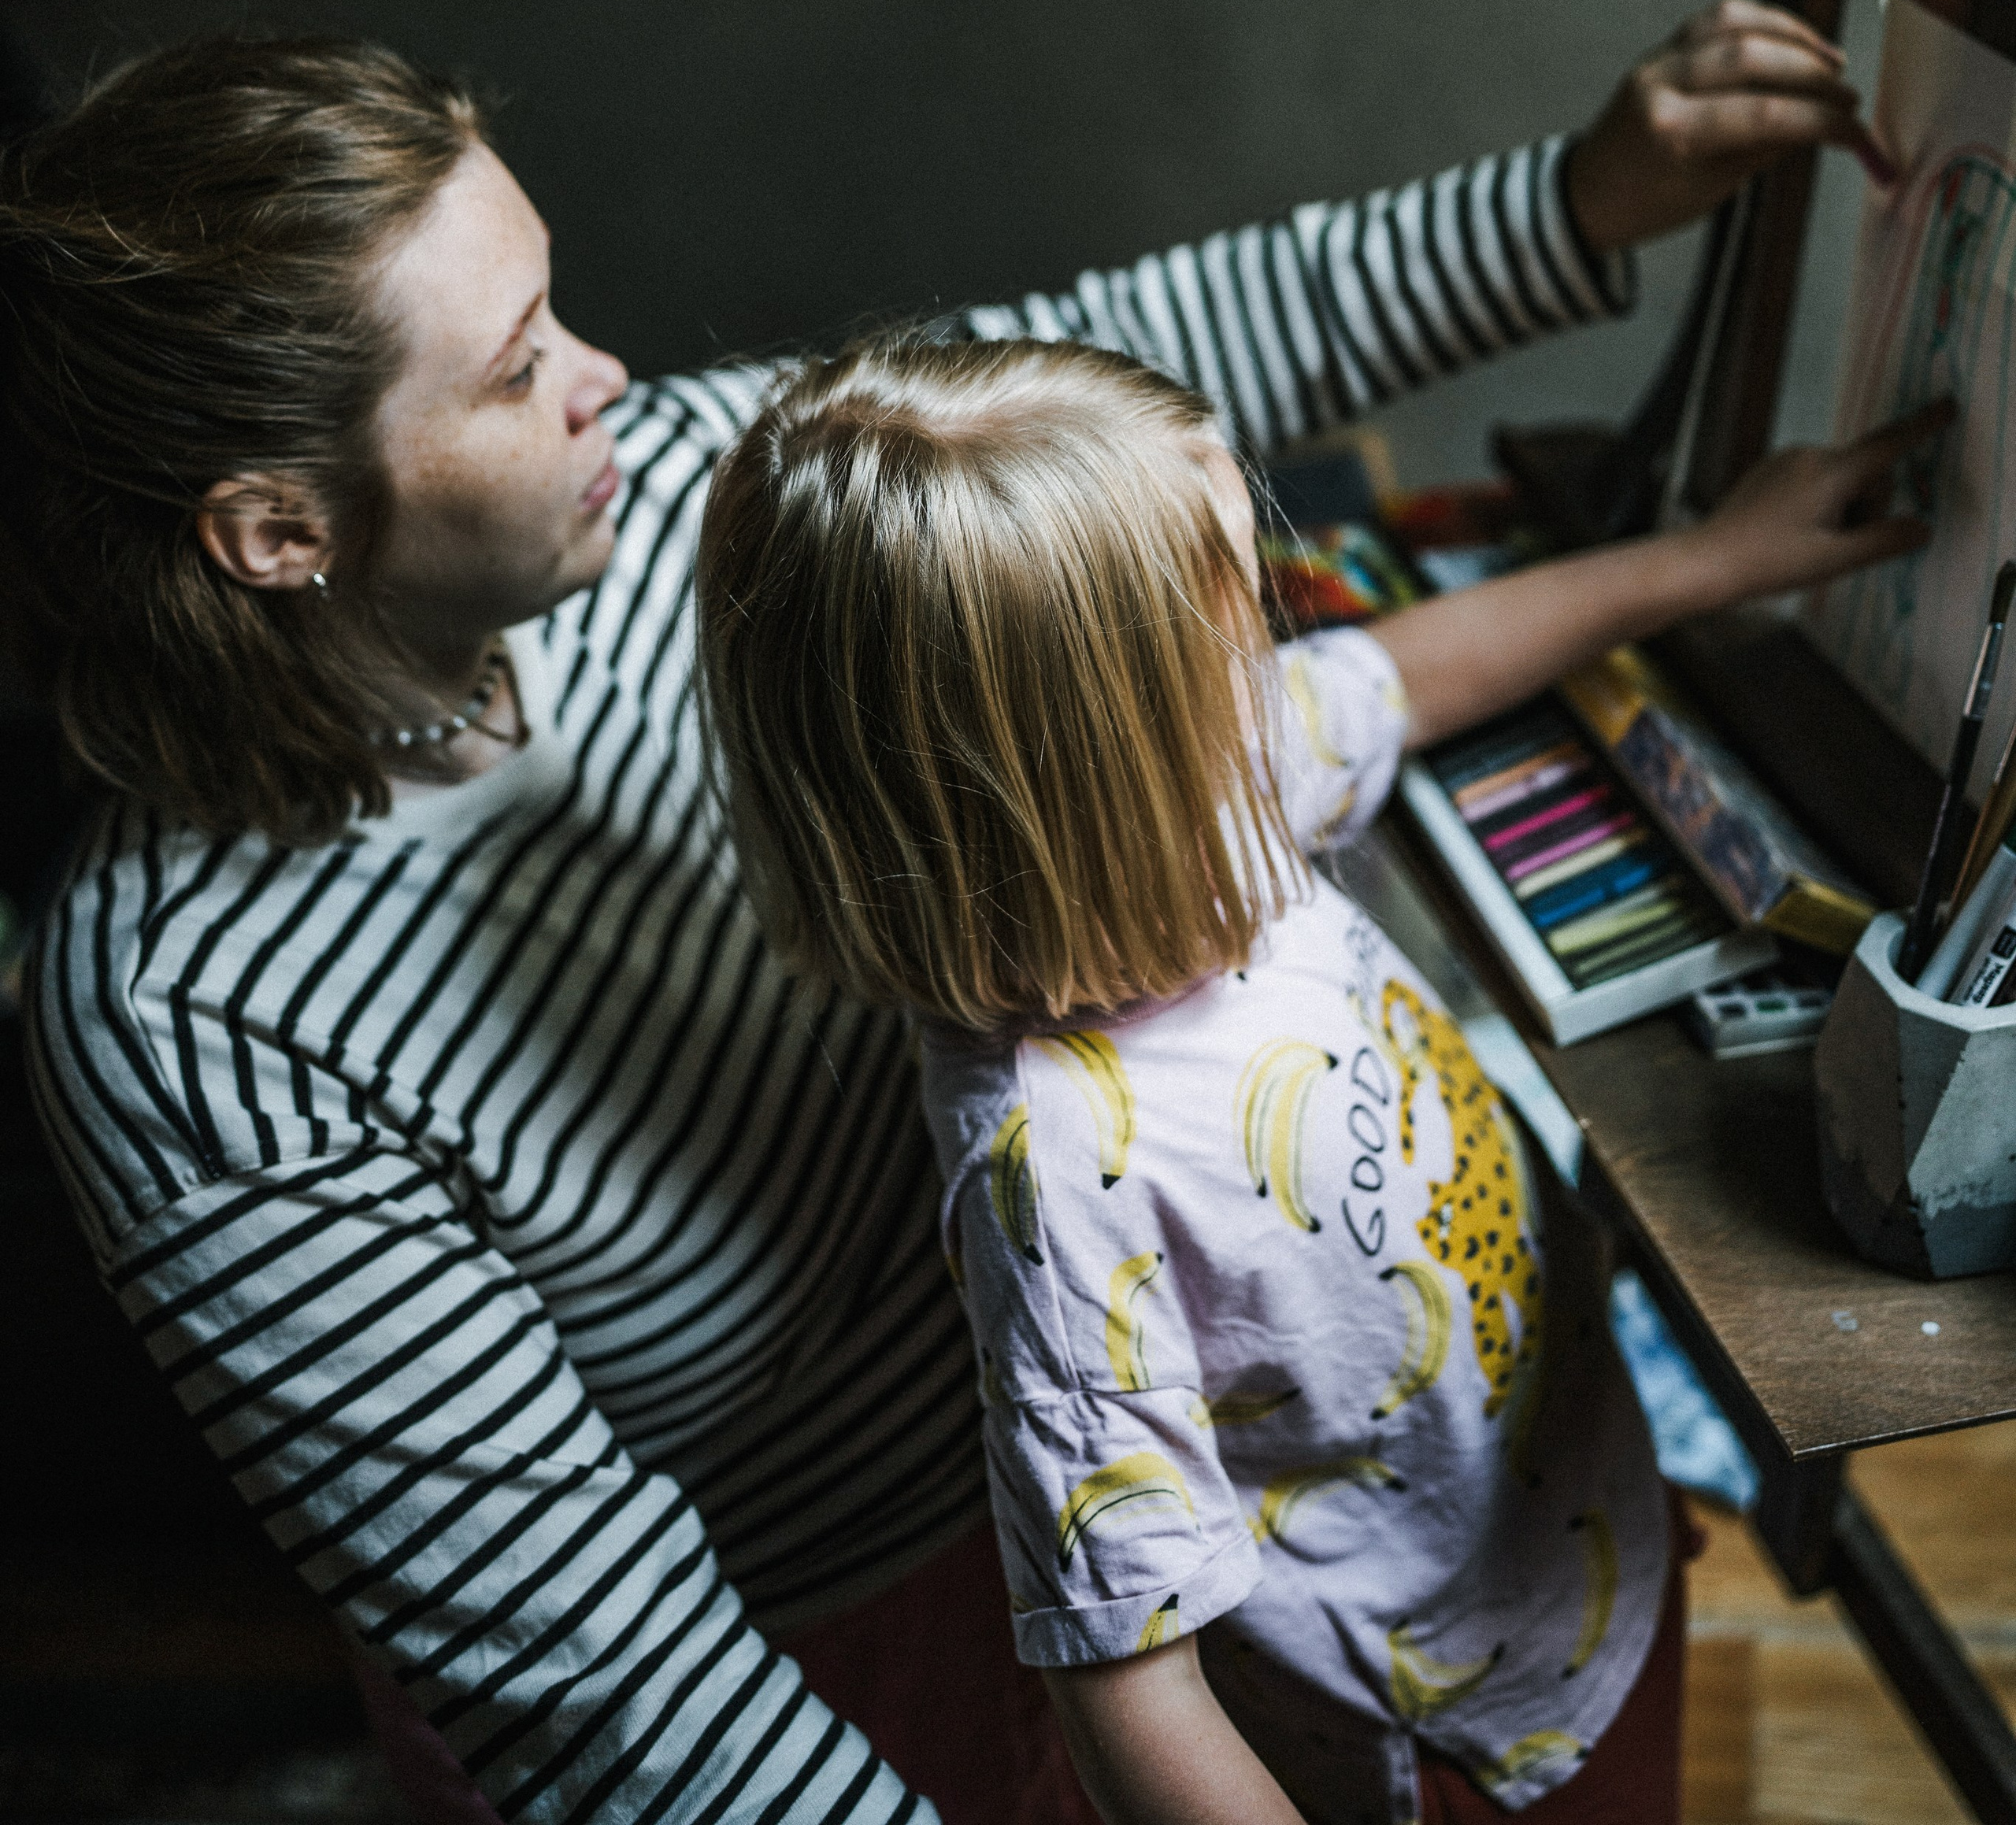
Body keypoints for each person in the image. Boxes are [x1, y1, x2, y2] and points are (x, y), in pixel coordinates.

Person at [2, 5, 1875, 1825]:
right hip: (835, 1666)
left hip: (1237, 1528)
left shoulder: (661, 502)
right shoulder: (185, 1026)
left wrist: (1575, 199)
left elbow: (1098, 368)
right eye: (511, 369)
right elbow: (607, 1683)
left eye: (553, 299)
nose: (612, 380)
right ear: (273, 531)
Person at [695, 335, 1925, 1825]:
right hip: (1461, 1728)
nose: (1272, 650)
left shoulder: (1204, 786)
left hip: (1567, 1515)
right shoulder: (1057, 1171)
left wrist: (1710, 559)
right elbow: (1130, 1692)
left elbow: (1405, 670)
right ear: (1092, 757)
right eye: (1235, 624)